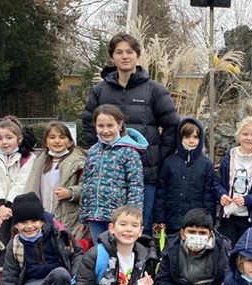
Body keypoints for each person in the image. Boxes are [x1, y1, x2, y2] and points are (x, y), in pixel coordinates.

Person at [81, 32, 180, 237]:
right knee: (107, 233)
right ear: (112, 57)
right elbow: (88, 123)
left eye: (129, 51)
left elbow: (172, 126)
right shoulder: (101, 90)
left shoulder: (154, 90)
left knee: (138, 230)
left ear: (137, 55)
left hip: (145, 174)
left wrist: (158, 157)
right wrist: (102, 152)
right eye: (119, 52)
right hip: (110, 177)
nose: (124, 56)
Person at [0, 192, 81, 285]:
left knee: (60, 274)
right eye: (23, 222)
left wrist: (76, 275)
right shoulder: (15, 244)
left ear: (41, 221)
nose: (29, 226)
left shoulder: (58, 233)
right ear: (16, 225)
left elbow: (78, 253)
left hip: (60, 278)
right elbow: (9, 278)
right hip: (34, 280)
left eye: (34, 221)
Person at [79, 104, 148, 243]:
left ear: (120, 124)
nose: (105, 130)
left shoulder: (129, 151)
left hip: (118, 217)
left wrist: (133, 216)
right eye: (101, 126)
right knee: (100, 252)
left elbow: (136, 186)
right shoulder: (93, 151)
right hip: (94, 215)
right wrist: (84, 212)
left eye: (110, 125)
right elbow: (86, 181)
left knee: (118, 253)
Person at [213, 117, 252, 245]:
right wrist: (221, 195)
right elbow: (216, 182)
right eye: (245, 134)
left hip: (250, 218)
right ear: (238, 136)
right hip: (228, 216)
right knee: (226, 252)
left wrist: (247, 199)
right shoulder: (229, 156)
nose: (249, 138)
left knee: (245, 254)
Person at [24, 122, 87, 241]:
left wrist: (71, 192)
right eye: (52, 137)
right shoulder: (40, 162)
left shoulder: (79, 163)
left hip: (68, 218)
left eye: (62, 137)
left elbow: (88, 188)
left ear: (70, 142)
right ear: (46, 142)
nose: (57, 141)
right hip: (45, 213)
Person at [153, 117, 216, 236]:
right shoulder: (169, 162)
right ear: (180, 138)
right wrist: (159, 218)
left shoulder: (206, 164)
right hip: (171, 221)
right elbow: (161, 192)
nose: (191, 141)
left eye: (195, 137)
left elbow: (209, 196)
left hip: (195, 224)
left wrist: (209, 221)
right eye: (187, 137)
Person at [0, 117, 36, 246]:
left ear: (19, 139)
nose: (4, 142)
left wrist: (8, 206)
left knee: (22, 241)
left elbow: (22, 183)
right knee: (3, 243)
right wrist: (1, 206)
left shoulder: (28, 158)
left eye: (9, 137)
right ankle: (3, 266)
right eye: (0, 138)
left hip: (19, 207)